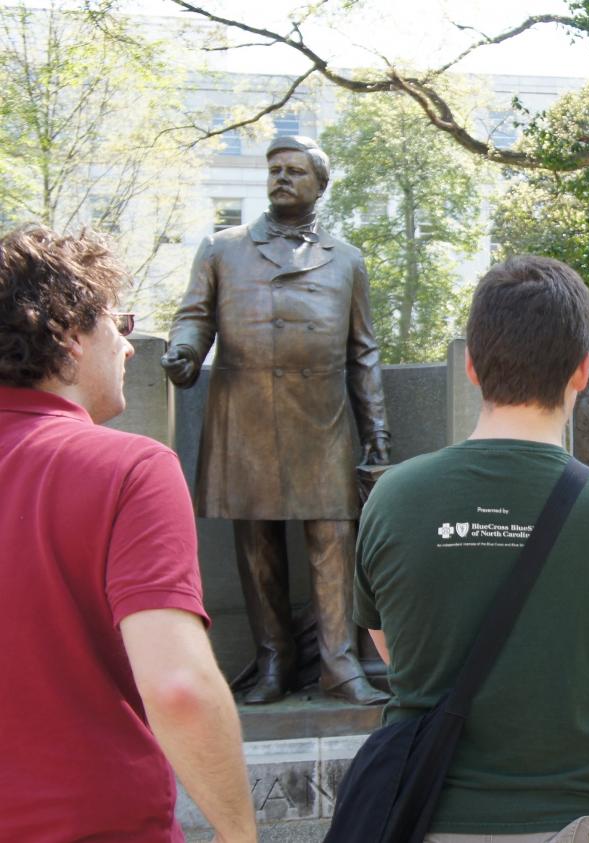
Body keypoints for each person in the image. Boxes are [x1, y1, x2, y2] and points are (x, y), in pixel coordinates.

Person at [353, 255, 589, 841]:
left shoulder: (394, 497)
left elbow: (393, 649)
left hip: (426, 817)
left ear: (474, 368)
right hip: (584, 824)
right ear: (583, 371)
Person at [0, 225, 255, 842]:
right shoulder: (130, 470)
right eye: (120, 323)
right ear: (67, 331)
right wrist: (241, 835)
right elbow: (178, 686)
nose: (130, 346)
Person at [162, 134, 390, 705]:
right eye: (274, 170)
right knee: (257, 544)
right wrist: (186, 352)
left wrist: (378, 434)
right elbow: (194, 316)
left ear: (320, 183)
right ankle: (274, 662)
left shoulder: (347, 259)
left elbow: (363, 352)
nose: (281, 178)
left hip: (323, 418)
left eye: (294, 170)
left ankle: (340, 664)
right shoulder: (222, 247)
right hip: (246, 414)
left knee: (334, 537)